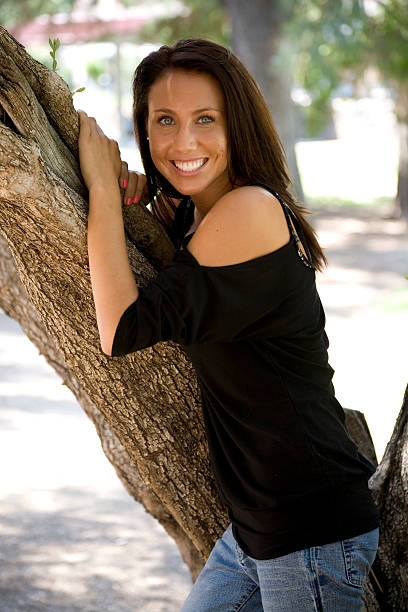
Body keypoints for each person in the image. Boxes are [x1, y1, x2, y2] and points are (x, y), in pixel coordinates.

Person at [78, 38, 379, 611]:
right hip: (255, 532)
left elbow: (120, 330)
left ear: (236, 124)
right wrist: (142, 207)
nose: (182, 142)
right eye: (164, 120)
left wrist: (99, 189)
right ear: (144, 127)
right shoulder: (201, 215)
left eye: (205, 120)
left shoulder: (249, 210)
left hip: (309, 530)